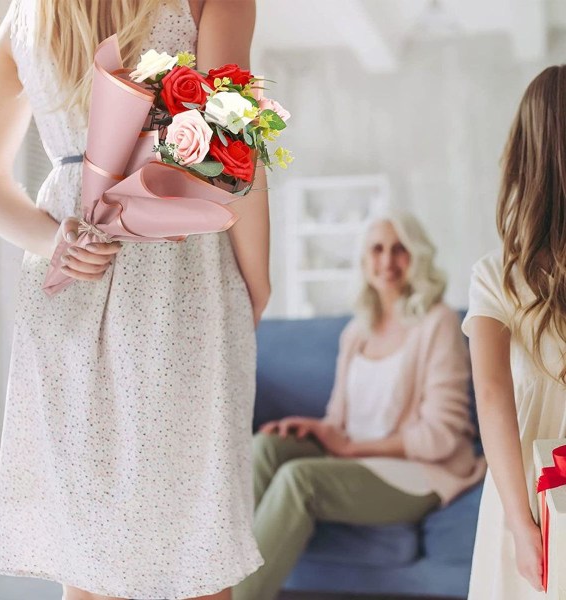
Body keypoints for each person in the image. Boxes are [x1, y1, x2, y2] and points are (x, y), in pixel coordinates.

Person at [0, 1, 269, 599]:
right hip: (181, 274)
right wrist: (256, 286)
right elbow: (236, 159)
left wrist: (55, 241)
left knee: (90, 556)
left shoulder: (30, 13)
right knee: (195, 544)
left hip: (71, 274)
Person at [233, 208, 486, 600]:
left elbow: (442, 437)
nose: (387, 261)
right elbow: (339, 420)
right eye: (377, 249)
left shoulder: (438, 323)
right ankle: (221, 574)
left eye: (399, 249)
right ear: (364, 260)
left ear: (416, 255)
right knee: (264, 447)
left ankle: (234, 596)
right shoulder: (356, 331)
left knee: (299, 480)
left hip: (417, 472)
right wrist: (317, 428)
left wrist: (353, 447)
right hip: (356, 458)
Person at [462, 65, 566, 599]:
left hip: (526, 479)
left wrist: (520, 523)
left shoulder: (494, 275)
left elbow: (492, 394)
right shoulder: (493, 276)